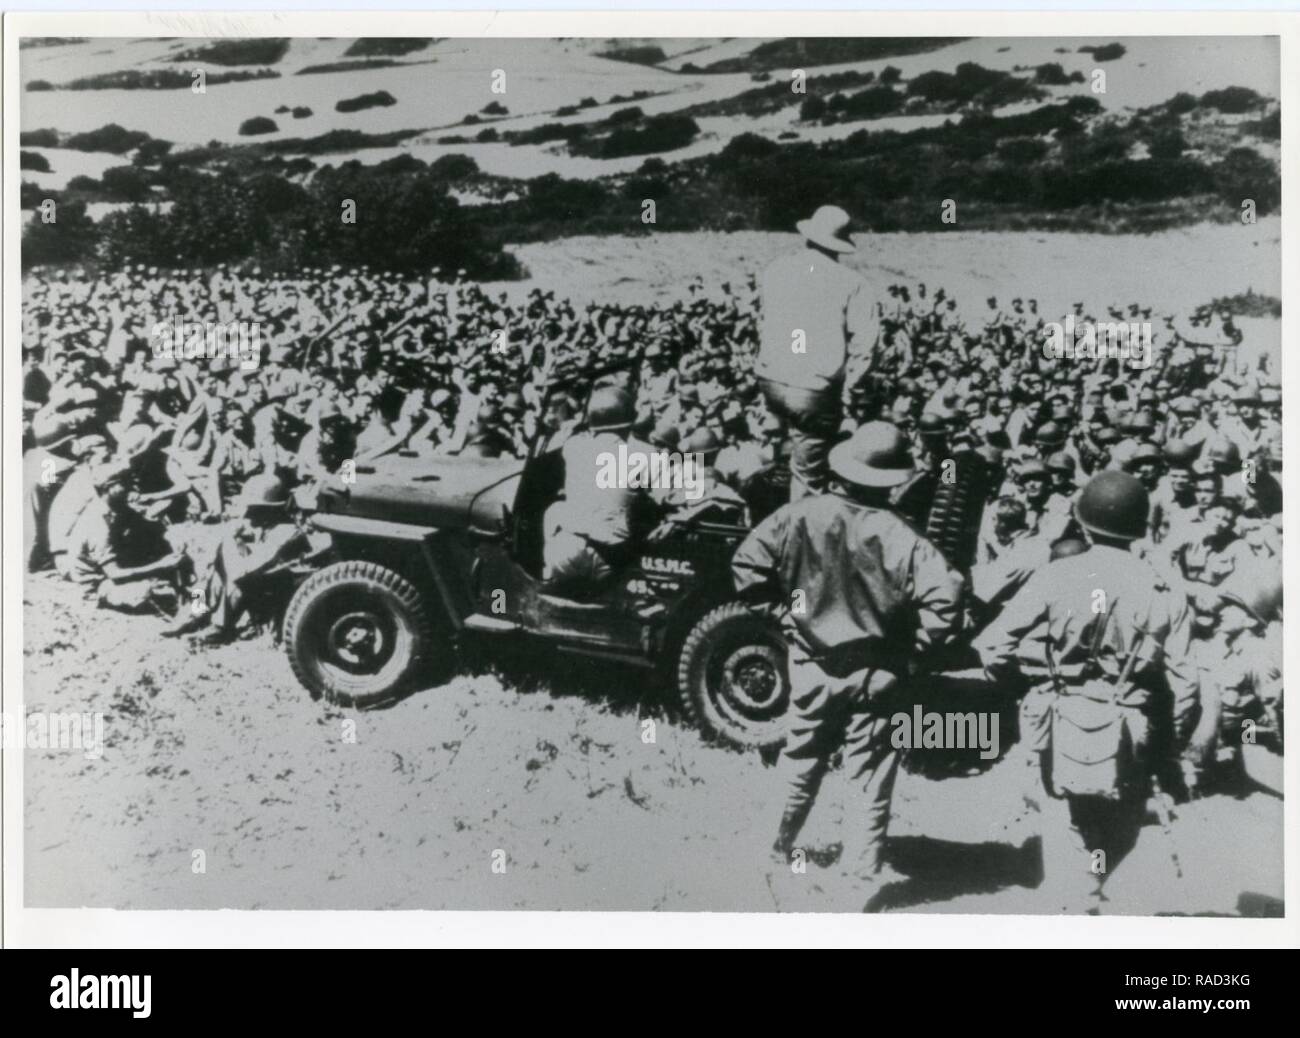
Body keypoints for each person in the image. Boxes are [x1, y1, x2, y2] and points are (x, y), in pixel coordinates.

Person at [732, 421, 963, 909]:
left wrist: (787, 619)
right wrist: (912, 654)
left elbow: (747, 566)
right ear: (894, 478)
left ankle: (771, 853)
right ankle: (859, 881)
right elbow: (947, 602)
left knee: (800, 757)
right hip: (877, 673)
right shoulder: (906, 538)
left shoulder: (798, 516)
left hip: (813, 664)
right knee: (870, 775)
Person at [976, 471, 1200, 913]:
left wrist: (1025, 688)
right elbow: (1187, 685)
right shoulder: (1166, 591)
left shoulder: (1058, 575)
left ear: (1083, 521)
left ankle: (1076, 903)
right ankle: (1089, 894)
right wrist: (1166, 746)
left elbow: (991, 645)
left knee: (1068, 825)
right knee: (1119, 829)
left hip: (1060, 720)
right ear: (1140, 526)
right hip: (1132, 726)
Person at [756, 205, 880, 501]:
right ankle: (797, 537)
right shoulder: (854, 283)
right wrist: (851, 395)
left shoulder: (776, 270)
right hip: (813, 390)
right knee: (807, 476)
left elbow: (764, 320)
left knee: (776, 451)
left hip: (770, 379)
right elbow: (865, 347)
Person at [542, 386, 658, 599]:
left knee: (556, 509)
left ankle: (548, 575)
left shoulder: (573, 447)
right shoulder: (647, 454)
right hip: (611, 563)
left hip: (565, 557)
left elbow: (566, 437)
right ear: (629, 423)